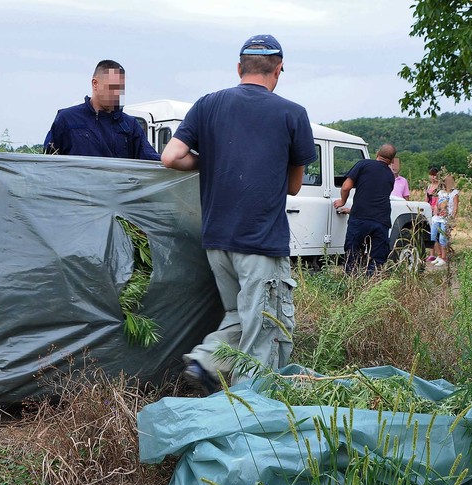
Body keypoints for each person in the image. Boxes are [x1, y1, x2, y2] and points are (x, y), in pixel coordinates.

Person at [160, 34, 315, 394]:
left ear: (239, 68)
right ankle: (252, 418)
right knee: (266, 330)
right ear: (279, 70)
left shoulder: (207, 104)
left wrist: (212, 160)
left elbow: (170, 157)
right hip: (260, 242)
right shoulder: (292, 113)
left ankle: (207, 360)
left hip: (217, 241)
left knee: (239, 316)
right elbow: (293, 186)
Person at [44, 60, 160, 160]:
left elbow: (151, 160)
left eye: (119, 88)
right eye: (112, 87)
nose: (116, 94)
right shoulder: (67, 119)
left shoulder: (130, 126)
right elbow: (49, 164)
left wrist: (174, 160)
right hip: (77, 186)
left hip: (117, 186)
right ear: (95, 84)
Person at [333, 144, 397, 274]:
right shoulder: (391, 176)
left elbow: (346, 187)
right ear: (392, 161)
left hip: (360, 219)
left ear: (377, 153)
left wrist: (342, 201)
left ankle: (351, 284)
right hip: (382, 221)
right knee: (377, 260)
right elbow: (376, 200)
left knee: (352, 254)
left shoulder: (363, 164)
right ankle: (372, 285)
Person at [431, 174, 460, 266]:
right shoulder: (440, 192)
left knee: (442, 238)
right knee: (433, 236)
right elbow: (436, 203)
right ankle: (439, 256)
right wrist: (436, 209)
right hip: (437, 217)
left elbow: (455, 207)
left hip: (446, 219)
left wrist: (452, 219)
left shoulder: (454, 193)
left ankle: (444, 257)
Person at [424, 167, 440, 262]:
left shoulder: (440, 186)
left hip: (437, 210)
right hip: (429, 210)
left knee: (437, 233)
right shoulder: (429, 186)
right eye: (431, 175)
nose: (432, 177)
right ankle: (431, 254)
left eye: (434, 175)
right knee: (430, 232)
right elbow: (426, 199)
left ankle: (440, 254)